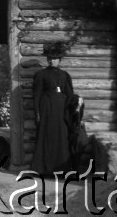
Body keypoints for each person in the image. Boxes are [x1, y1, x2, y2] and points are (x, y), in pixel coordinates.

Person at [31, 42, 74, 175]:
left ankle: (62, 169)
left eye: (54, 59)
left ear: (59, 60)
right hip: (47, 108)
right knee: (47, 135)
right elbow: (37, 94)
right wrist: (37, 112)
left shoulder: (65, 75)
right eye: (49, 59)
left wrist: (76, 104)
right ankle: (44, 170)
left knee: (62, 136)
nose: (51, 61)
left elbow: (70, 94)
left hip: (62, 109)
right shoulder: (41, 74)